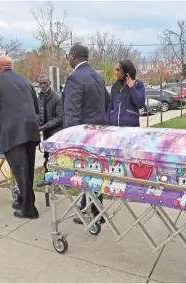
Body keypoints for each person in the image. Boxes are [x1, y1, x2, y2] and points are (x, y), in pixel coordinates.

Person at [0, 55, 41, 219]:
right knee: (27, 169)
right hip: (31, 130)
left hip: (13, 132)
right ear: (10, 66)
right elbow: (36, 107)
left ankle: (29, 210)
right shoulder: (25, 81)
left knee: (20, 169)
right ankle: (25, 200)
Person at [63, 42, 110, 225]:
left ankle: (90, 211)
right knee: (96, 173)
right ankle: (94, 209)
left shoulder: (75, 78)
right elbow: (107, 102)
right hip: (99, 132)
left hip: (83, 136)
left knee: (85, 174)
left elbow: (71, 113)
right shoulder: (97, 77)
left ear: (74, 56)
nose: (68, 60)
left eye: (68, 56)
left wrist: (69, 141)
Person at [36, 74, 63, 187]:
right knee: (47, 156)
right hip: (46, 132)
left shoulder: (57, 98)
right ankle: (48, 179)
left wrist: (45, 126)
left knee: (58, 158)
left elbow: (60, 118)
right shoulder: (39, 97)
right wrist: (38, 122)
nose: (43, 85)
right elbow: (38, 113)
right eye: (41, 83)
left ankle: (61, 182)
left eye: (45, 83)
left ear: (49, 83)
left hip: (56, 132)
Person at [108, 59, 146, 126]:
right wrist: (108, 121)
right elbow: (110, 106)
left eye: (118, 70)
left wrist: (132, 87)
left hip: (130, 128)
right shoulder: (115, 86)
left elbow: (140, 104)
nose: (116, 72)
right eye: (116, 70)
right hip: (114, 128)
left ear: (126, 71)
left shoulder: (138, 84)